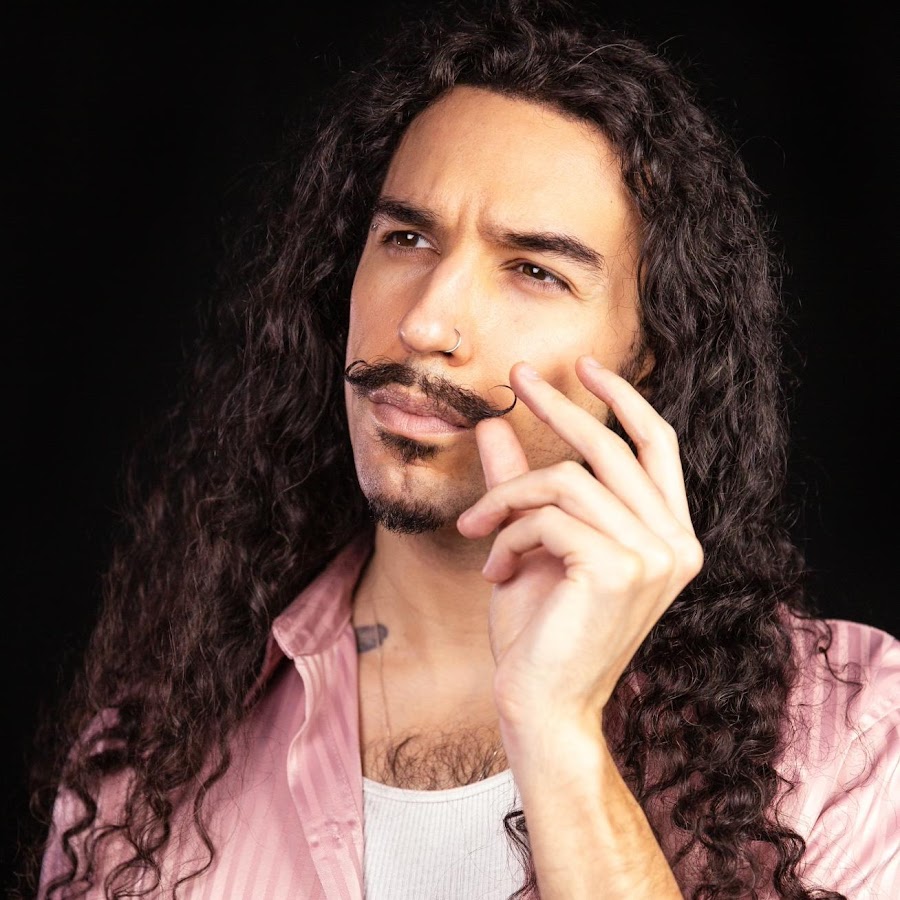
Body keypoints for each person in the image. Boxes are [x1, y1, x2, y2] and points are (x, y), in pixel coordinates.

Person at [21, 0, 899, 898]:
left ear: (652, 355)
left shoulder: (856, 737)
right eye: (406, 238)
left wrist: (559, 733)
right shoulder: (146, 762)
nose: (426, 322)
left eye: (534, 271)